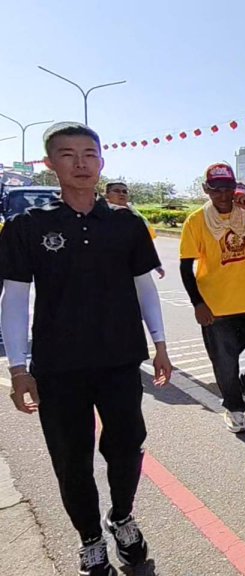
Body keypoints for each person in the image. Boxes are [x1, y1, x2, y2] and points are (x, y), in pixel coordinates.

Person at [0, 122, 173, 576]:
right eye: (68, 154)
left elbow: (145, 290)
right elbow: (14, 299)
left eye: (89, 154)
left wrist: (159, 344)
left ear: (101, 161)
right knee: (71, 458)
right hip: (58, 368)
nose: (81, 164)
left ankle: (121, 518)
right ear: (50, 163)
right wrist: (18, 369)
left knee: (127, 445)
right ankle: (90, 539)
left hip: (119, 361)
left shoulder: (127, 224)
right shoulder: (28, 227)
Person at [179, 163, 245, 433]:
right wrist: (197, 303)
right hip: (216, 306)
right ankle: (234, 408)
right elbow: (186, 267)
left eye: (228, 188)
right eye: (216, 189)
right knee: (225, 362)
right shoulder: (196, 221)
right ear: (206, 190)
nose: (223, 195)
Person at [105, 181, 164, 278]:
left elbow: (144, 241)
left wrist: (156, 265)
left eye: (125, 191)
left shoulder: (134, 214)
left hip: (137, 263)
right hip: (111, 267)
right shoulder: (100, 214)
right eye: (117, 191)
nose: (121, 194)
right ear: (107, 194)